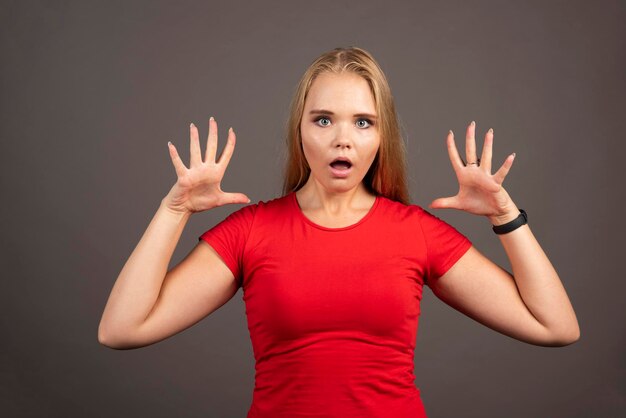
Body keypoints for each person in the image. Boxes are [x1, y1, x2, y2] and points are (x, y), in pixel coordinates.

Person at [98, 47, 580, 417]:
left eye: (363, 122)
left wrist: (503, 213)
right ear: (300, 131)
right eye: (323, 119)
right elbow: (121, 329)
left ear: (380, 136)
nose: (342, 138)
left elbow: (556, 327)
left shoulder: (417, 233)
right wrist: (174, 208)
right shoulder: (251, 231)